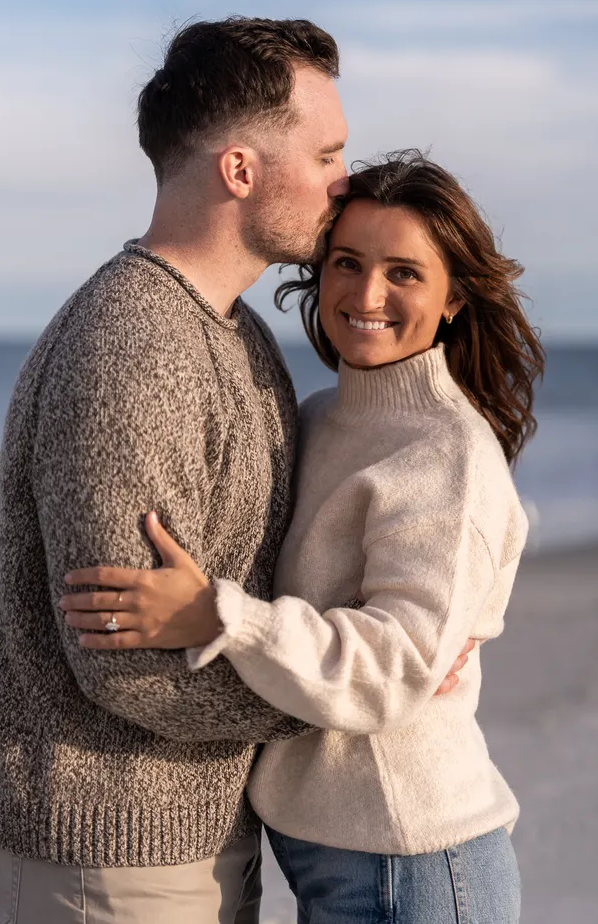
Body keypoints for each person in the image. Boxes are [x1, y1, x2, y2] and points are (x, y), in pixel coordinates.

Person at [61, 150, 545, 924]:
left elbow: (393, 669)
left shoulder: (447, 452)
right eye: (346, 263)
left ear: (455, 297)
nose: (366, 295)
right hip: (333, 850)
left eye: (405, 273)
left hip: (409, 856)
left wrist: (220, 617)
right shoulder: (319, 417)